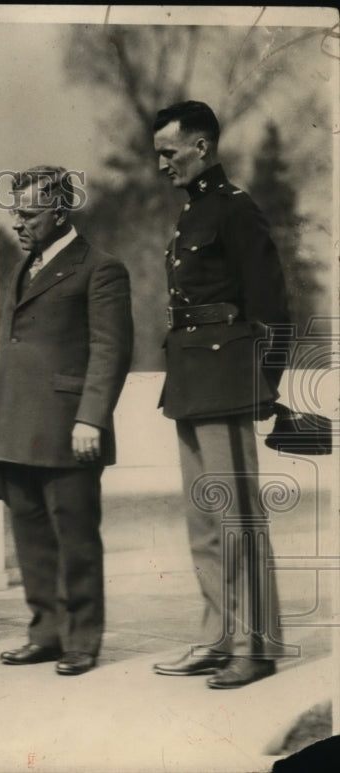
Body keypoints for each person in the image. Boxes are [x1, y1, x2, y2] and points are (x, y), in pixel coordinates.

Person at [150, 101, 291, 689]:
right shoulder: (193, 213)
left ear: (202, 147)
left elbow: (273, 308)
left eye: (169, 152)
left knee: (237, 520)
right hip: (189, 379)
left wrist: (260, 386)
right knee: (204, 522)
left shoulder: (235, 211)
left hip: (227, 377)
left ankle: (255, 647)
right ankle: (218, 636)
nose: (161, 164)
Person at [0, 166, 133, 676]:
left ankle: (81, 640)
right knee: (30, 538)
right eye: (15, 213)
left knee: (74, 538)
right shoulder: (24, 268)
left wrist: (91, 417)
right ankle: (45, 633)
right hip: (15, 425)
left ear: (60, 211)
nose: (17, 223)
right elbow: (12, 345)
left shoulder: (101, 268)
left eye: (27, 213)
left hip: (70, 428)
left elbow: (110, 350)